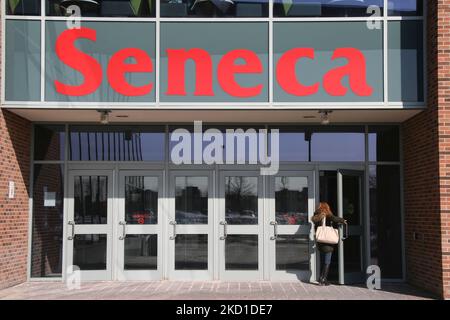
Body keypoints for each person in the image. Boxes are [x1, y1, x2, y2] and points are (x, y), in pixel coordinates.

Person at [311, 202, 347, 286]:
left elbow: (314, 221)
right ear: (327, 208)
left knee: (323, 260)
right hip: (327, 242)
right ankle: (323, 279)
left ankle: (322, 278)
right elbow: (334, 218)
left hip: (320, 241)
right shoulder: (327, 215)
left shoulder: (317, 216)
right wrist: (343, 220)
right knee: (327, 261)